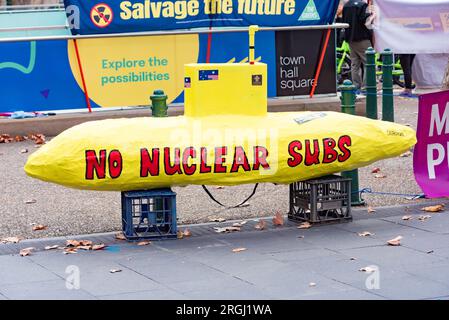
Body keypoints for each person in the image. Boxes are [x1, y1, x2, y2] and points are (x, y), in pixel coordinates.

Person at [342, 0, 375, 92]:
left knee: (354, 64)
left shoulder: (346, 5)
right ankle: (366, 87)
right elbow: (367, 22)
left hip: (350, 39)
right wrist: (373, 16)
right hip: (362, 38)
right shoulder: (363, 5)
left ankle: (356, 86)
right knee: (369, 63)